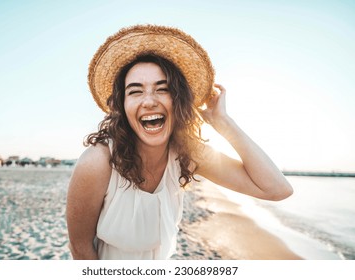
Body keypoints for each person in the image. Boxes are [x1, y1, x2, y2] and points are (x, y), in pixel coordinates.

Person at [66, 25, 293, 260]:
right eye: (135, 92)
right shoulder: (97, 163)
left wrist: (224, 123)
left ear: (178, 100)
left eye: (162, 89)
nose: (149, 101)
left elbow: (277, 189)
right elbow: (80, 248)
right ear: (122, 106)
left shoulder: (188, 154)